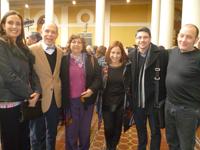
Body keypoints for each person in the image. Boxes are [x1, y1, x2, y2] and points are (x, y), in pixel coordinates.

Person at [0, 10, 41, 150]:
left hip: (23, 102)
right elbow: (8, 76)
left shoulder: (23, 47)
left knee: (24, 142)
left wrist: (37, 91)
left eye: (18, 23)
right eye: (10, 23)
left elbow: (32, 72)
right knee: (12, 144)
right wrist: (30, 94)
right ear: (3, 25)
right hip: (8, 104)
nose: (14, 26)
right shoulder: (1, 45)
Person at [128, 27, 168, 150]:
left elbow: (167, 74)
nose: (142, 40)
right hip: (138, 103)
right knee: (141, 131)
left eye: (145, 37)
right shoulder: (131, 55)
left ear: (150, 38)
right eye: (139, 37)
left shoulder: (161, 54)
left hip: (154, 103)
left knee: (155, 132)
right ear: (136, 39)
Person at [60, 34, 101, 150]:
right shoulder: (64, 60)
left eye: (79, 42)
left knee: (84, 130)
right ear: (69, 44)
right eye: (74, 42)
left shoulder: (91, 59)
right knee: (71, 130)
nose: (76, 44)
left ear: (83, 45)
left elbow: (98, 78)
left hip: (86, 102)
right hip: (70, 103)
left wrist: (91, 90)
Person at [165, 24, 200, 150]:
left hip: (188, 111)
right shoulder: (173, 52)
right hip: (169, 106)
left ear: (196, 40)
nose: (183, 40)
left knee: (186, 146)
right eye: (181, 35)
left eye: (189, 37)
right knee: (172, 142)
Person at [29, 23, 63, 150]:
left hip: (55, 99)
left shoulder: (60, 51)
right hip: (38, 98)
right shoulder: (31, 50)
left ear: (57, 35)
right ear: (41, 32)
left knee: (52, 133)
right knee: (36, 135)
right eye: (47, 31)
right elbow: (28, 73)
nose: (50, 35)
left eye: (53, 32)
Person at [100, 41, 131, 150]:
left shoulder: (127, 67)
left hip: (121, 103)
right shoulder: (103, 67)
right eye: (113, 52)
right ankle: (109, 146)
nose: (115, 55)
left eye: (118, 53)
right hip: (106, 103)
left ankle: (112, 147)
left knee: (117, 128)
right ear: (109, 53)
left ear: (122, 54)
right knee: (108, 128)